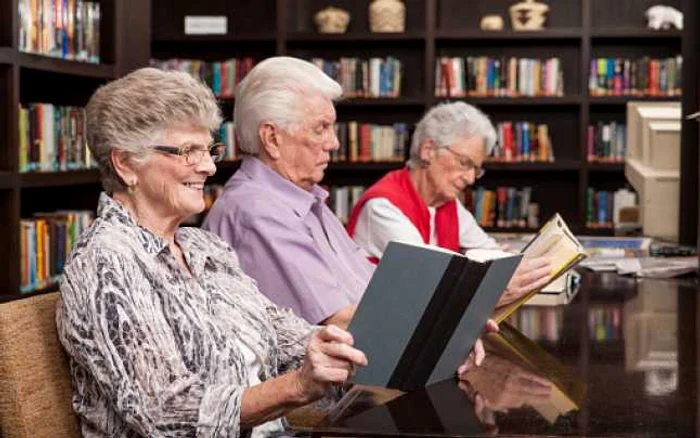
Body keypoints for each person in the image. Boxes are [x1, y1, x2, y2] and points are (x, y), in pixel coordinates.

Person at [55, 67, 370, 438]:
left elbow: (282, 332)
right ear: (126, 163)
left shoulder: (204, 247)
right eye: (188, 151)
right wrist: (297, 386)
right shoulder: (106, 263)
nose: (207, 166)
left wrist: (331, 349)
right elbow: (166, 414)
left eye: (208, 149)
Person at [203, 57, 374, 328]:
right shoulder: (257, 211)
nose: (334, 142)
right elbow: (340, 323)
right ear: (272, 139)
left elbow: (371, 292)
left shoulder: (306, 198)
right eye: (321, 129)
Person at [347, 102, 553, 305]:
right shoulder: (382, 207)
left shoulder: (446, 203)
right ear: (428, 150)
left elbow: (490, 252)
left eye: (476, 169)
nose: (471, 178)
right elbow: (429, 280)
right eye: (465, 163)